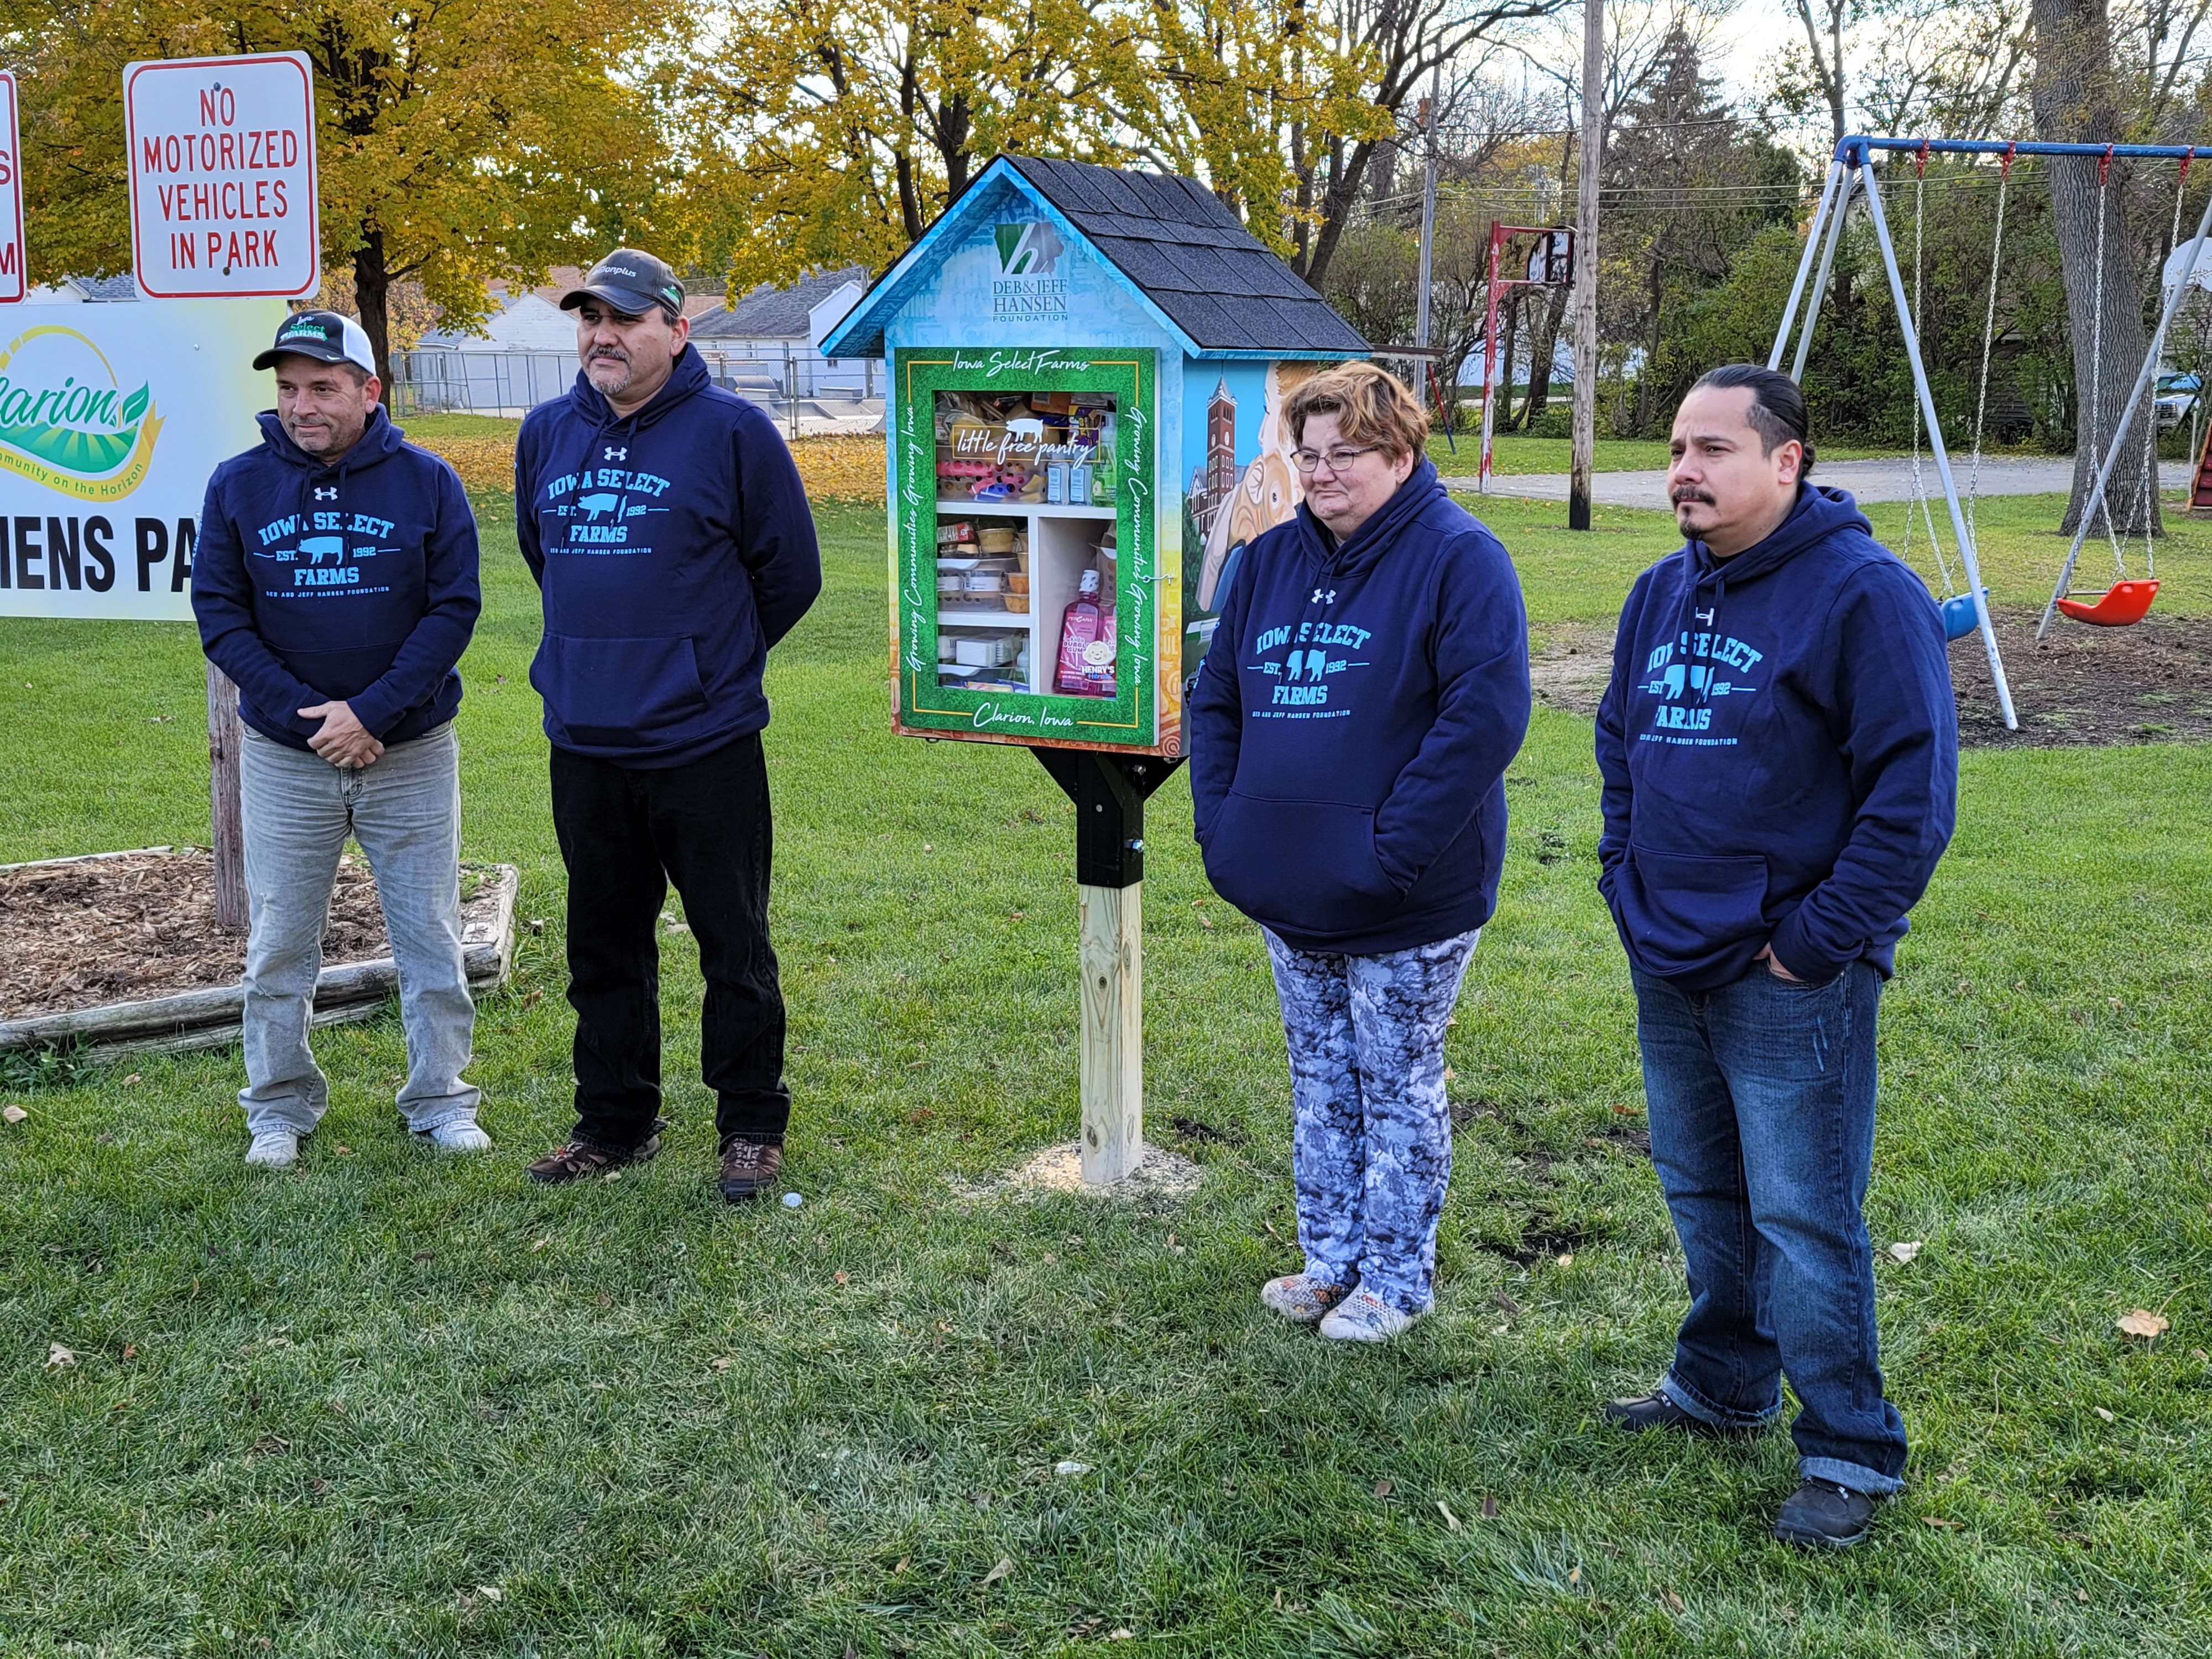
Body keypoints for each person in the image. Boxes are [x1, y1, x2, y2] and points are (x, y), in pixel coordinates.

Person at [1594, 364, 1958, 1550]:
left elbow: (1909, 800)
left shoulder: (1863, 595)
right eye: (1676, 449)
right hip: (1669, 949)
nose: (1683, 471)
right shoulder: (1659, 592)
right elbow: (1618, 745)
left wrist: (1810, 945)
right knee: (1702, 1189)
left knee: (1802, 1214)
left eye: (1711, 450)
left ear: (1785, 460)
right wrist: (1622, 876)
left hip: (1785, 969)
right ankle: (1721, 1385)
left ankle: (1849, 1449)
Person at [1189, 361, 1531, 1343]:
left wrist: (1391, 853)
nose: (1324, 474)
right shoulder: (1268, 564)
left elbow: (1483, 719)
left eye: (1348, 455)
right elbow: (1218, 701)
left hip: (1407, 895)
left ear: (1401, 450)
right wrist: (1227, 827)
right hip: (1288, 883)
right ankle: (1329, 1257)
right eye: (1309, 456)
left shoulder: (1460, 560)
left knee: (1396, 1081)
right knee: (1320, 1080)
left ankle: (1396, 1277)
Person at [514, 248, 822, 1201]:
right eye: (589, 319)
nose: (603, 336)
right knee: (603, 944)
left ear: (675, 330)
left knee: (733, 941)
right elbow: (544, 556)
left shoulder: (733, 434)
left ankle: (751, 1124)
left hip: (704, 744)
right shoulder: (544, 434)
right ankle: (614, 1121)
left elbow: (792, 573)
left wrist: (704, 665)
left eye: (625, 319)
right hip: (587, 742)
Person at [193, 309, 486, 1168]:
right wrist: (315, 719)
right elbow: (221, 615)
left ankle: (441, 1100)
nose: (302, 405)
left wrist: (375, 713)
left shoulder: (429, 482)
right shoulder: (236, 485)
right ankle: (278, 1110)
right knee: (280, 940)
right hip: (288, 756)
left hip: (410, 750)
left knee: (429, 934)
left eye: (322, 387)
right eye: (287, 389)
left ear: (369, 390)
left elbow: (452, 610)